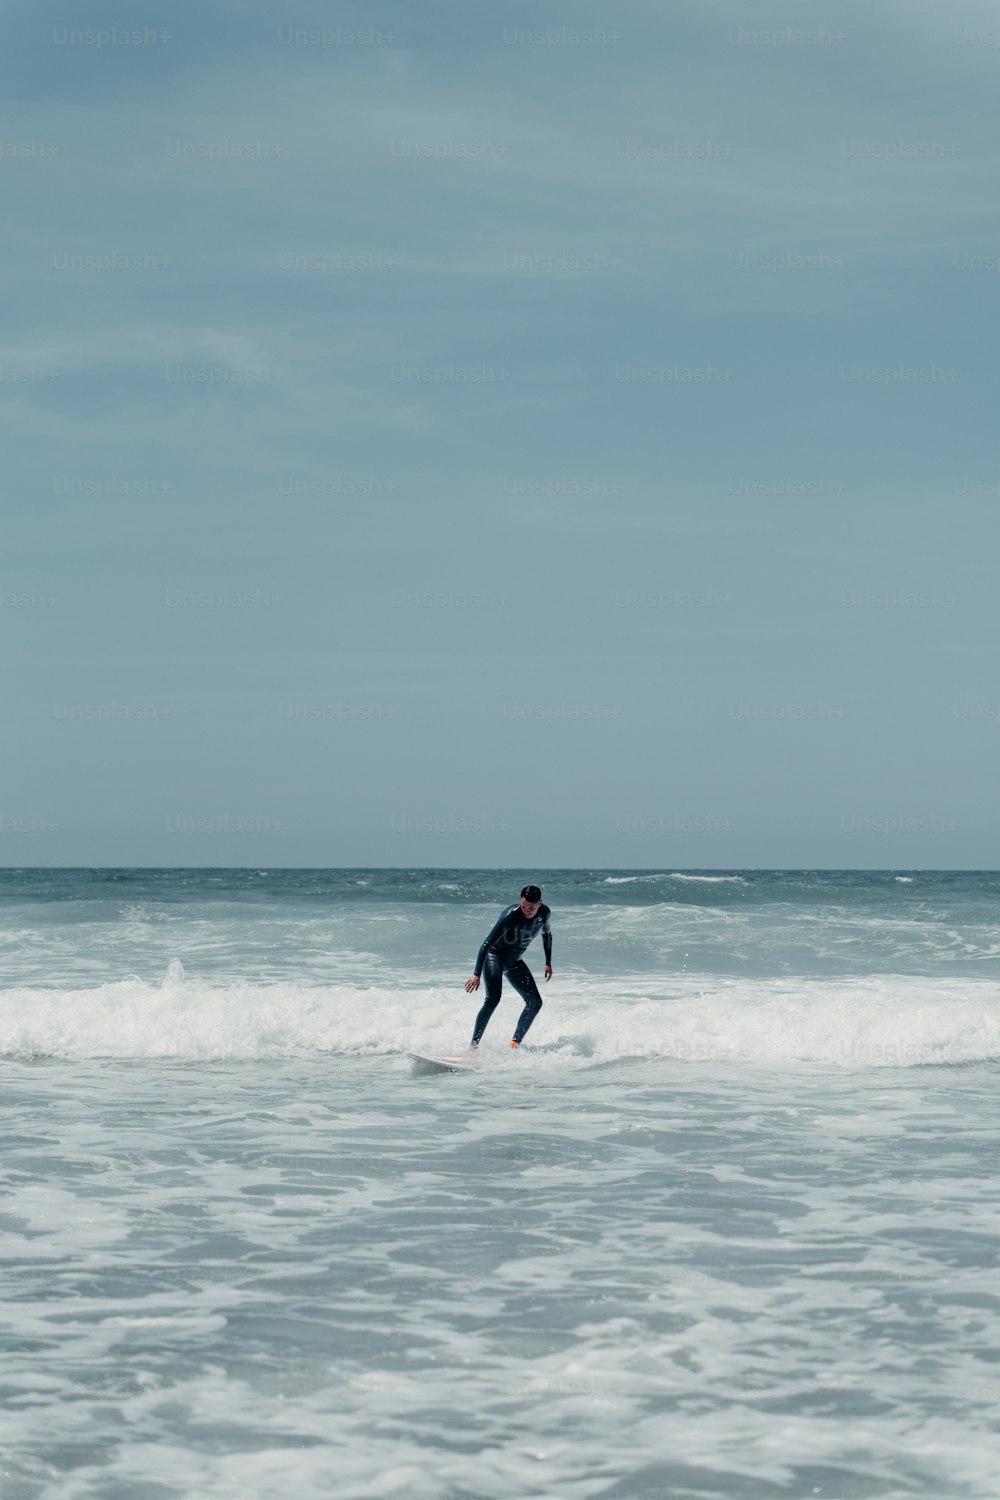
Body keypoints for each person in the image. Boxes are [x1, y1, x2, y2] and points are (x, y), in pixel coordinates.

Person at [464, 884, 553, 1054]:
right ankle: (472, 1048)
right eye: (524, 906)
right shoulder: (511, 915)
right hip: (495, 956)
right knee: (493, 999)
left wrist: (548, 962)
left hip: (514, 962)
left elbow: (547, 935)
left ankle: (514, 1044)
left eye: (531, 908)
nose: (526, 911)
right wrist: (476, 974)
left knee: (535, 1003)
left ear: (539, 903)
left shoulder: (544, 914)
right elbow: (486, 943)